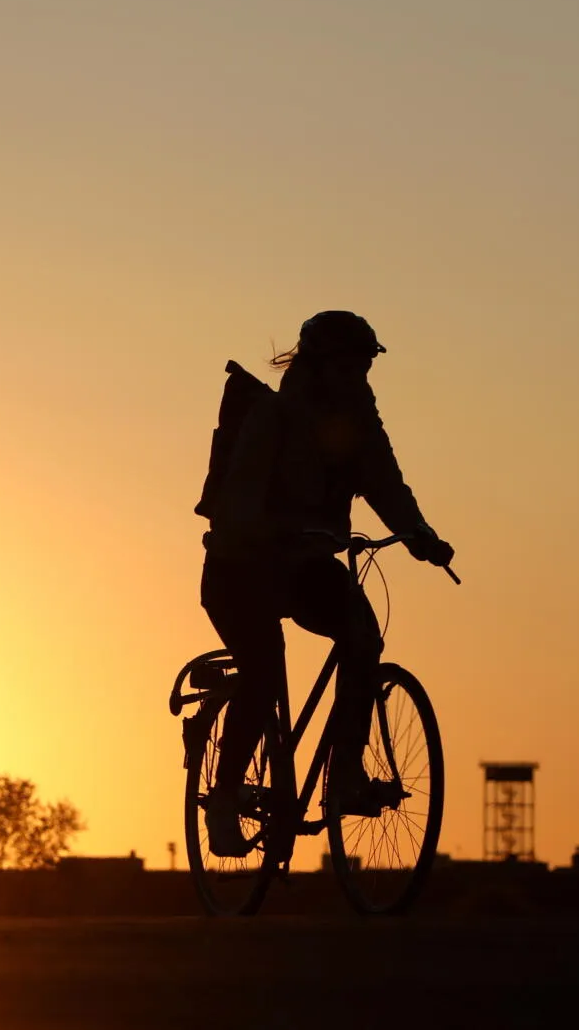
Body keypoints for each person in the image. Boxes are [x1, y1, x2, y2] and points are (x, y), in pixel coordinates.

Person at [198, 310, 454, 856]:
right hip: (239, 566)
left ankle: (345, 775)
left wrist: (418, 534)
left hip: (304, 565)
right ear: (319, 365)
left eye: (365, 366)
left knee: (362, 638)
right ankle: (223, 800)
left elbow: (385, 480)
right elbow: (240, 500)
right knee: (264, 671)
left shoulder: (358, 421)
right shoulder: (272, 416)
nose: (360, 376)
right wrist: (272, 534)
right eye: (351, 365)